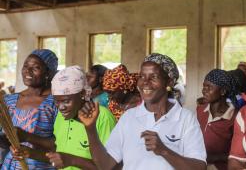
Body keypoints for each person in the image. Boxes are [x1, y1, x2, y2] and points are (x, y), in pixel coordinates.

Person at [79, 53, 207, 170]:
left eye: (153, 77)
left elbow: (200, 167)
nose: (145, 83)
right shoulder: (128, 117)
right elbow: (105, 165)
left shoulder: (185, 119)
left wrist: (164, 151)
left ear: (169, 82)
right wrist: (90, 129)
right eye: (142, 76)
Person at [10, 66, 116, 170]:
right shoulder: (61, 117)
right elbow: (61, 154)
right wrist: (32, 153)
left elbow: (111, 167)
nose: (61, 107)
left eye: (66, 101)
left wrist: (71, 160)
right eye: (56, 101)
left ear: (83, 93)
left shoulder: (103, 118)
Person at [0, 49, 59, 169]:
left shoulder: (56, 103)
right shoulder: (9, 100)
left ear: (48, 72)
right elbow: (6, 142)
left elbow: (61, 144)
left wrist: (27, 136)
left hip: (40, 166)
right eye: (25, 66)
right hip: (9, 166)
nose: (27, 70)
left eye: (35, 67)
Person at [196, 69, 239, 170]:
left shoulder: (235, 116)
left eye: (209, 87)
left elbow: (239, 153)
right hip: (199, 165)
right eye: (204, 86)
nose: (204, 90)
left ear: (223, 91)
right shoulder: (201, 110)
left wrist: (214, 157)